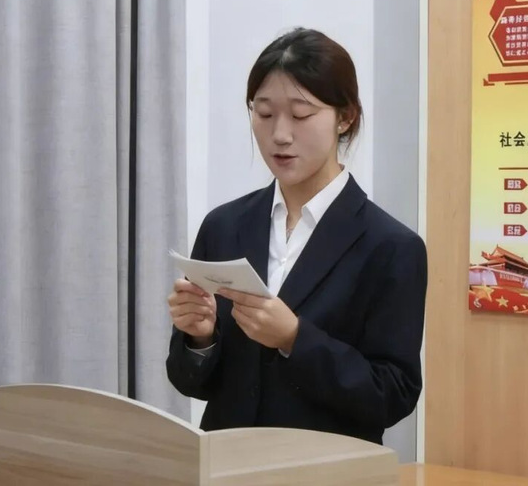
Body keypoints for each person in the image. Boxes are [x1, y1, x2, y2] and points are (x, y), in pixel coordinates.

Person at [165, 27, 427, 445]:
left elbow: (393, 394)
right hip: (226, 464)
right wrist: (200, 337)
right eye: (264, 113)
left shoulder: (391, 247)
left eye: (301, 115)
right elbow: (191, 381)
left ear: (345, 117)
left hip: (325, 468)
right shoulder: (224, 225)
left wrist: (294, 338)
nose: (280, 135)